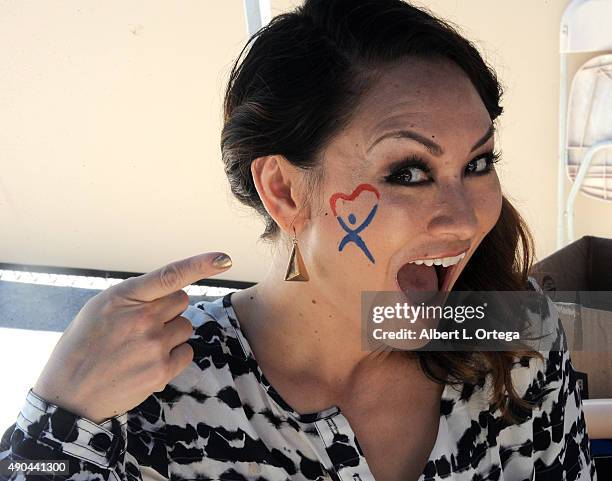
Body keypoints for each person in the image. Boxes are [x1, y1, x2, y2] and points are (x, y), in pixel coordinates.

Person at [0, 0, 598, 480]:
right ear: (284, 190)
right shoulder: (153, 389)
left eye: (478, 162)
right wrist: (53, 416)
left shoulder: (509, 339)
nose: (465, 221)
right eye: (408, 172)